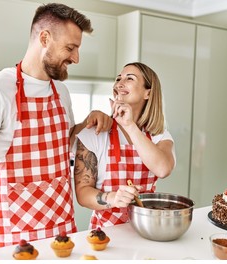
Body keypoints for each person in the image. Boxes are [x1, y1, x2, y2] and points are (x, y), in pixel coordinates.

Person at [0, 3, 112, 260]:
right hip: (16, 233)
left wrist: (87, 124)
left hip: (61, 225)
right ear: (44, 38)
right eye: (71, 48)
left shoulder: (61, 92)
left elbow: (61, 143)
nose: (76, 58)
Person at [74, 62, 176, 229]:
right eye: (118, 78)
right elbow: (83, 193)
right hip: (105, 236)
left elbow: (163, 169)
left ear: (148, 93)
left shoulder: (159, 135)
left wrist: (129, 126)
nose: (119, 83)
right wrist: (112, 198)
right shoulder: (96, 133)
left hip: (147, 230)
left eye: (129, 78)